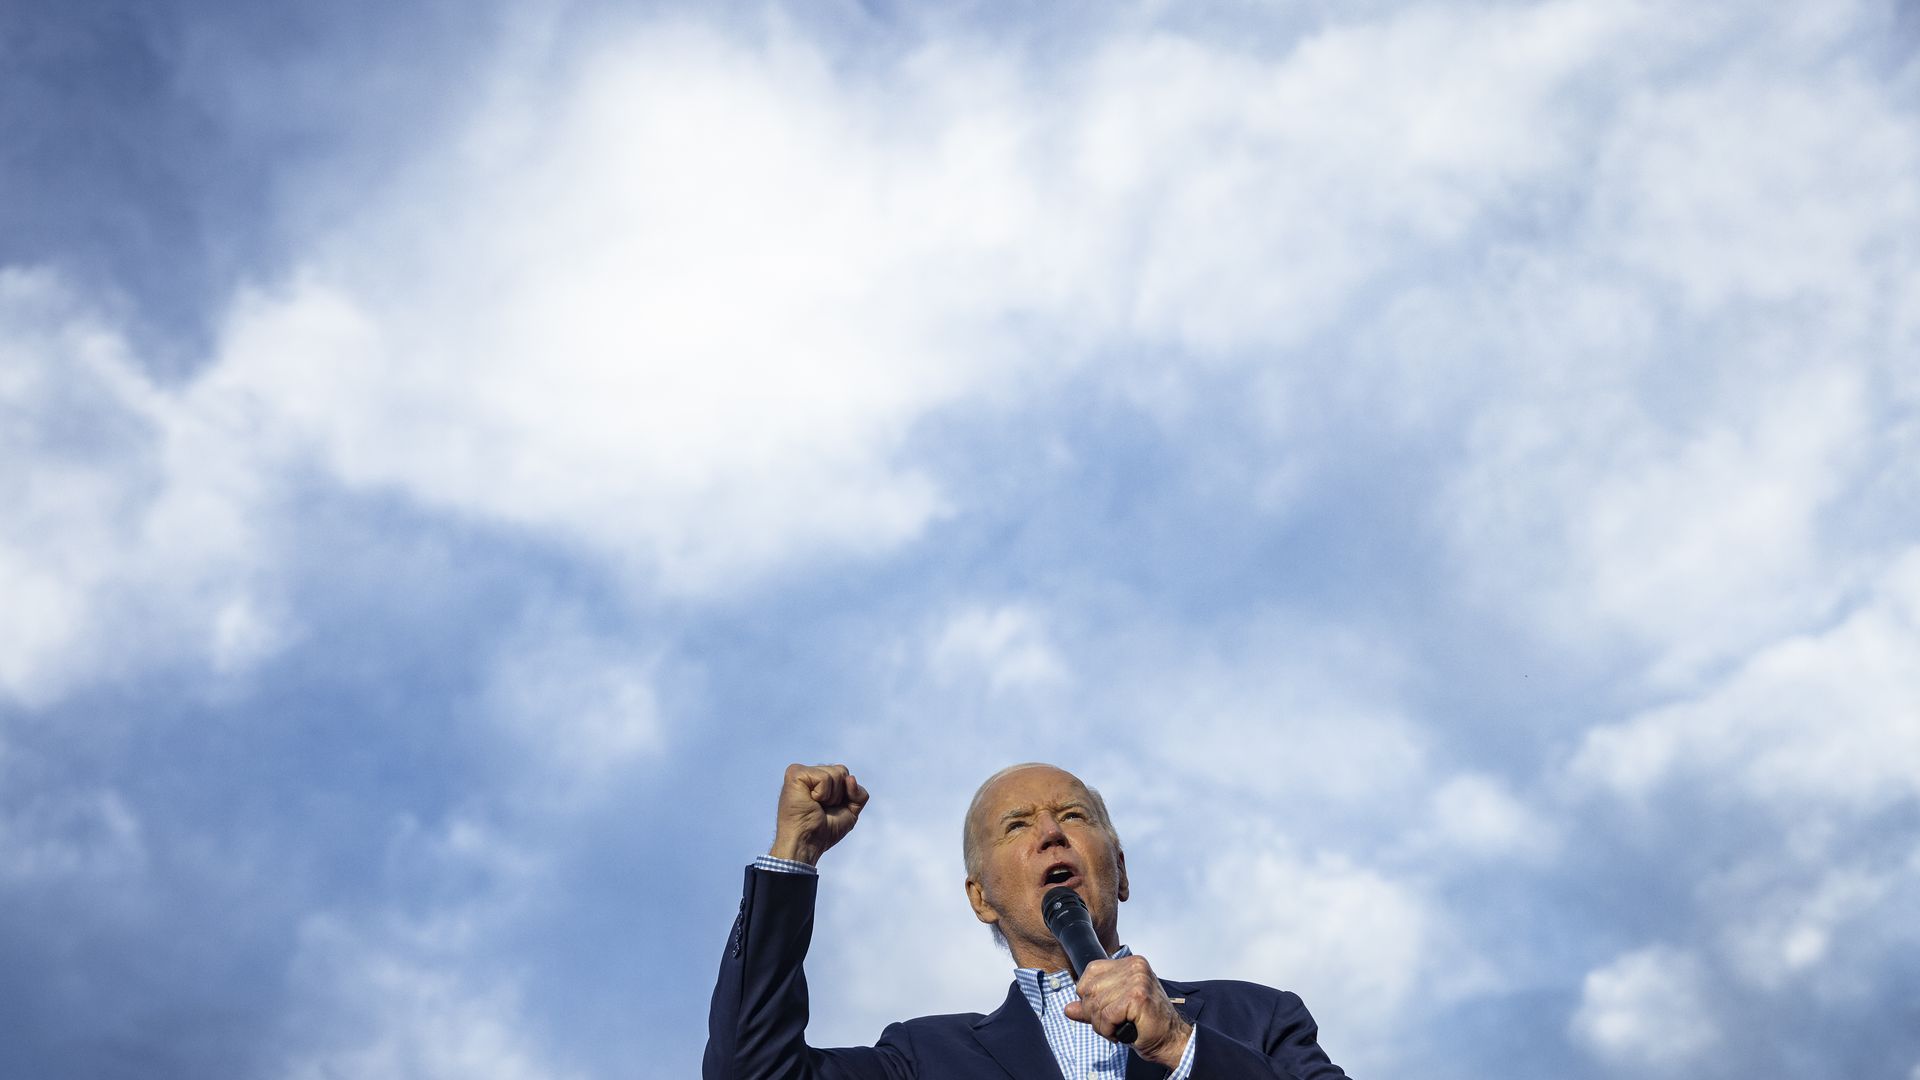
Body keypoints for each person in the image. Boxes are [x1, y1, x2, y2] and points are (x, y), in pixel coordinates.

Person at [705, 762, 1350, 1079]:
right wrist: (795, 854)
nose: (1049, 834)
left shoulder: (1256, 1020)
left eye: (1073, 817)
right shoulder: (926, 1060)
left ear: (1120, 872)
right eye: (1017, 826)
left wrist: (1179, 1047)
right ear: (980, 899)